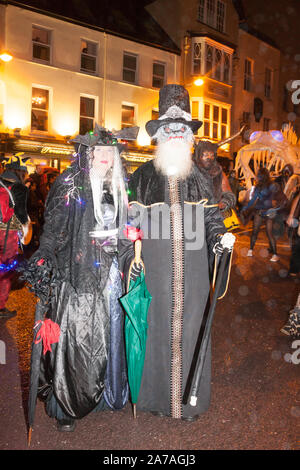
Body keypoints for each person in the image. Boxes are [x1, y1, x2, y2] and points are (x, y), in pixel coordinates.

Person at [119, 84, 235, 421]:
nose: (174, 134)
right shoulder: (141, 178)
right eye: (168, 129)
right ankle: (156, 399)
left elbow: (213, 219)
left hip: (195, 273)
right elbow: (130, 225)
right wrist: (132, 259)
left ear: (188, 137)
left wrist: (219, 239)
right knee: (155, 330)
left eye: (180, 129)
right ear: (158, 136)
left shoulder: (200, 178)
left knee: (192, 331)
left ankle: (189, 402)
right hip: (155, 270)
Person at [21, 124, 138, 432]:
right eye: (98, 150)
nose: (104, 156)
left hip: (110, 275)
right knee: (76, 342)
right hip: (77, 276)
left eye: (109, 151)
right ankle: (67, 405)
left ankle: (104, 395)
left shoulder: (117, 186)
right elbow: (54, 231)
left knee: (109, 335)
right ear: (86, 153)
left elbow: (126, 231)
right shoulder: (69, 184)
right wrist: (44, 255)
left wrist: (132, 253)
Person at [0, 155, 31, 318]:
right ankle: (0, 307)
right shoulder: (20, 188)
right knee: (5, 270)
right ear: (21, 172)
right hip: (7, 234)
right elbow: (21, 215)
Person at [241, 167, 287, 262]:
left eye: (259, 175)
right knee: (256, 231)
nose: (258, 177)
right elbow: (253, 200)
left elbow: (283, 199)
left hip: (267, 212)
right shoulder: (259, 186)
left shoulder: (272, 185)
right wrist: (245, 208)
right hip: (261, 211)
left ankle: (274, 254)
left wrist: (275, 209)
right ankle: (251, 250)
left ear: (262, 175)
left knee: (267, 233)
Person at [194, 140, 236, 218]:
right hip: (194, 217)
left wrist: (224, 203)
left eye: (212, 155)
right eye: (205, 155)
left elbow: (229, 194)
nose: (209, 158)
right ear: (198, 156)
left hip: (214, 217)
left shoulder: (218, 173)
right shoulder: (189, 172)